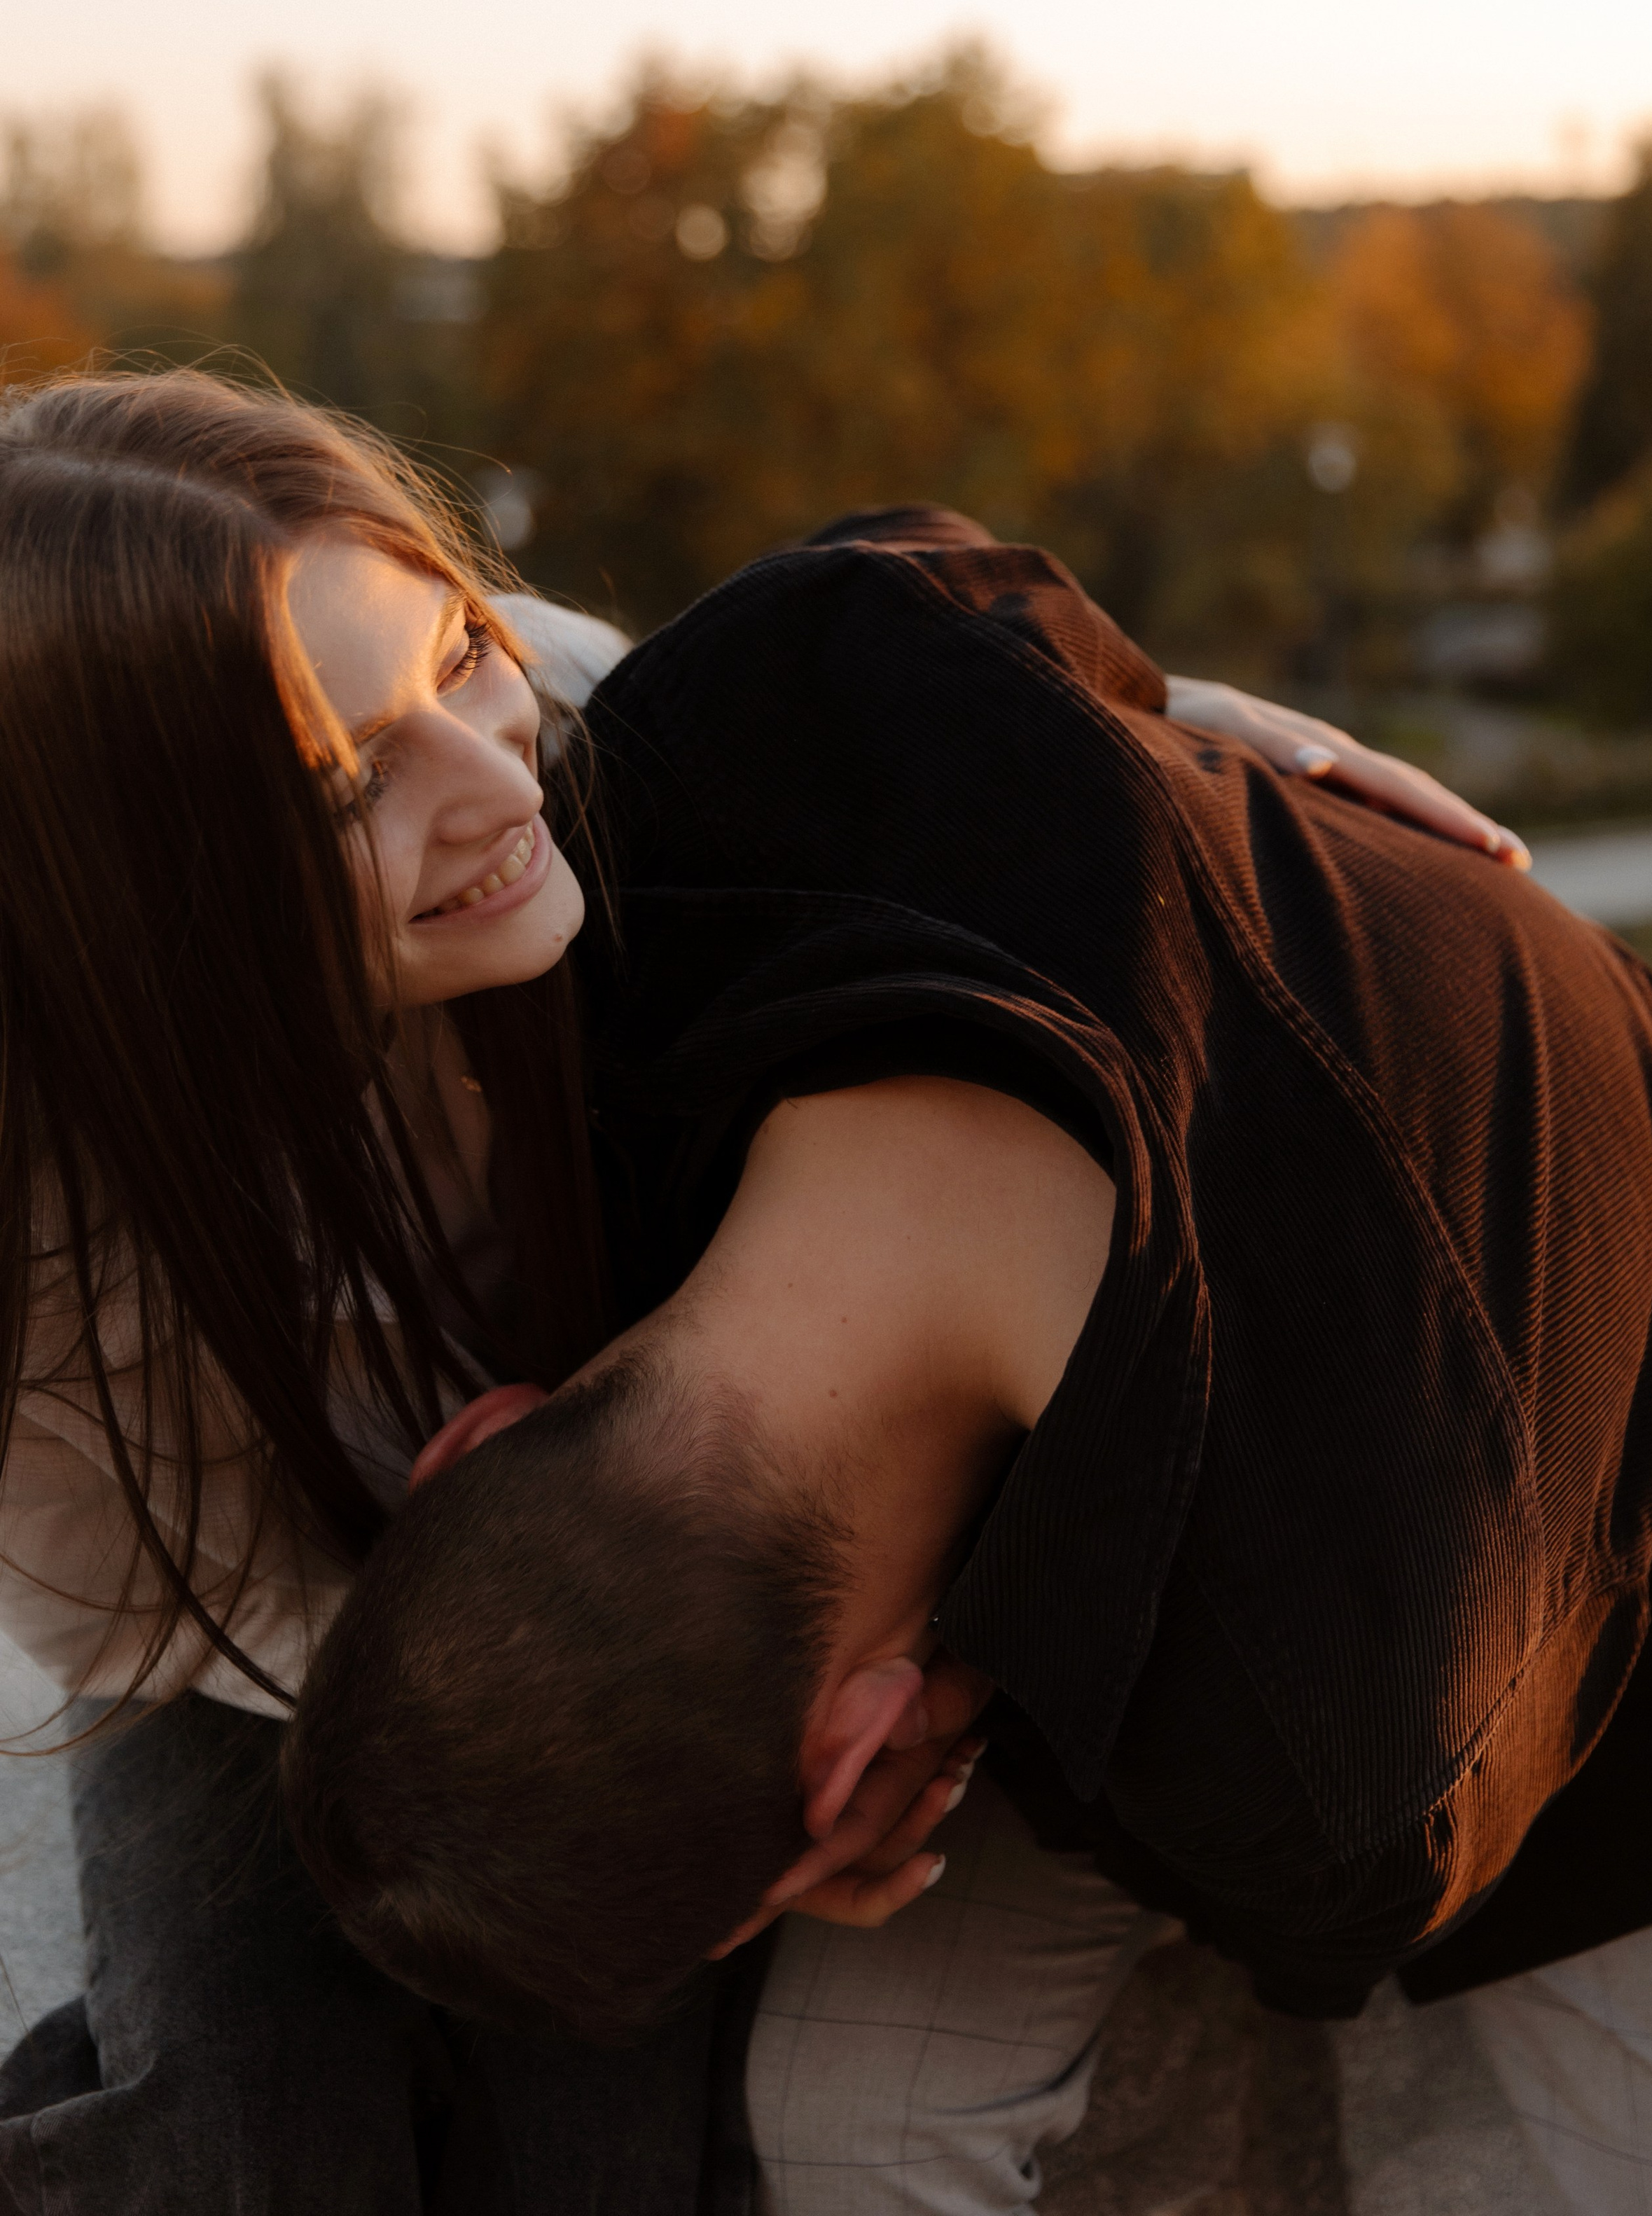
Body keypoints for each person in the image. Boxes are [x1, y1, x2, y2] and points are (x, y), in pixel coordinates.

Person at [0, 375, 1492, 2212]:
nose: (494, 786)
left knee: (613, 2141)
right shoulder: (45, 1206)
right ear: (123, 906)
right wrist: (542, 1724)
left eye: (456, 651)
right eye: (341, 785)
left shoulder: (587, 737)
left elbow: (929, 734)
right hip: (266, 1643)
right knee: (247, 2133)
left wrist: (1176, 733)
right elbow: (144, 1620)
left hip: (649, 1560)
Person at [284, 503, 1652, 2216]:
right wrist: (1160, 730)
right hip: (1376, 1381)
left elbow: (1356, 1872)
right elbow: (946, 580)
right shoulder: (740, 732)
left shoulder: (1330, 1729)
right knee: (860, 2119)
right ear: (479, 1440)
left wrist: (970, 1704)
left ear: (858, 1768)